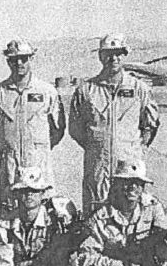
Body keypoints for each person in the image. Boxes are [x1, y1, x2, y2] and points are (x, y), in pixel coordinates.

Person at [68, 33, 160, 213]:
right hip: (98, 167)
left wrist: (137, 148)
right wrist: (97, 147)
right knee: (95, 214)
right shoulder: (87, 90)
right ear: (100, 56)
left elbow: (150, 125)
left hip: (128, 167)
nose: (114, 58)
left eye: (118, 53)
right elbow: (75, 128)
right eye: (108, 53)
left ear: (124, 55)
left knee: (129, 213)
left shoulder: (138, 89)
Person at [0, 40, 66, 219]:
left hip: (38, 163)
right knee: (9, 215)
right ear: (8, 61)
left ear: (31, 59)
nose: (19, 63)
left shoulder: (47, 92)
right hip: (10, 166)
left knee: (43, 215)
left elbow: (58, 129)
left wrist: (38, 148)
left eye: (23, 59)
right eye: (14, 60)